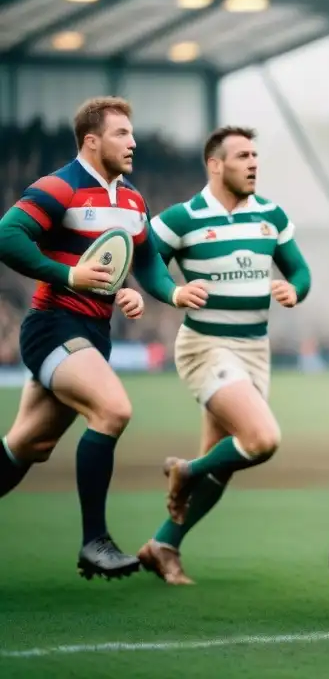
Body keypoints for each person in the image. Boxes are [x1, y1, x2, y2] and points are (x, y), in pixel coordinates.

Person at [0, 96, 208, 579]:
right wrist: (68, 276)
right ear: (91, 141)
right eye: (121, 134)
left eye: (133, 134)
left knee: (28, 444)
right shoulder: (60, 187)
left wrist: (168, 294)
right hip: (52, 327)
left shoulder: (132, 198)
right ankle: (94, 541)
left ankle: (92, 537)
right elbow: (8, 235)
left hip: (93, 333)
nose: (133, 142)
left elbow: (147, 261)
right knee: (113, 409)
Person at [135, 126, 312, 585]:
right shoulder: (184, 217)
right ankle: (185, 472)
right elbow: (143, 258)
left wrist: (295, 288)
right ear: (215, 165)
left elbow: (299, 268)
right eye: (242, 156)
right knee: (261, 439)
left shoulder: (270, 215)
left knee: (223, 462)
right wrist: (172, 292)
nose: (253, 163)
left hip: (255, 350)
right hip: (205, 347)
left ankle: (163, 546)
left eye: (256, 154)